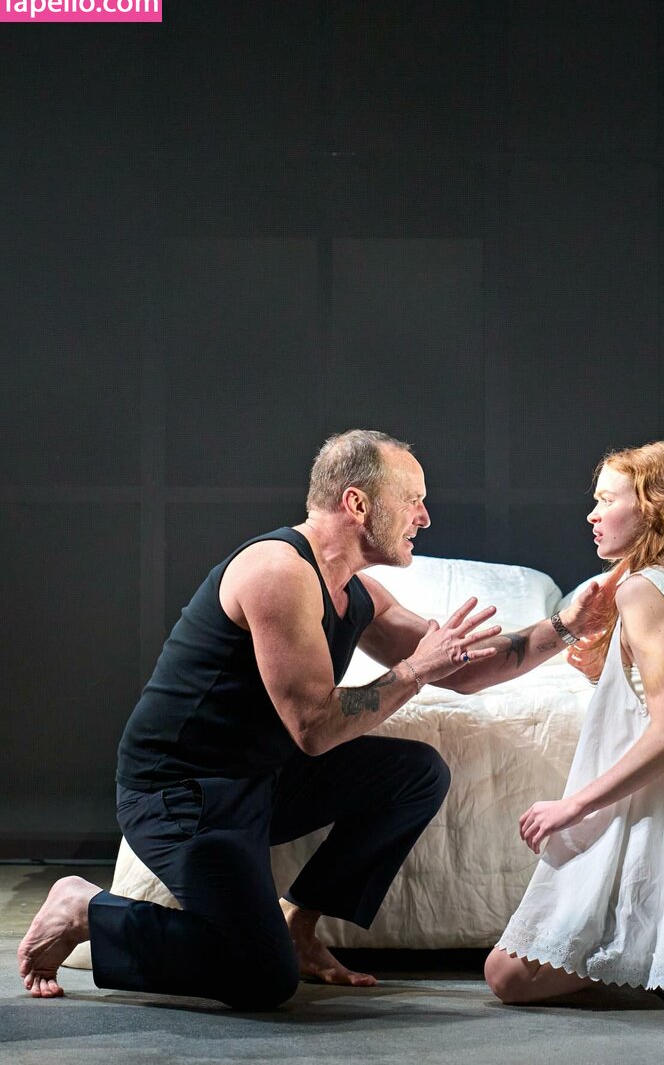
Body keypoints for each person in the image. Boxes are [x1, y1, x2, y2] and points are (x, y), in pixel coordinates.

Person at [19, 429, 600, 1010]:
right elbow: (316, 728)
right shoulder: (277, 570)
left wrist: (568, 623)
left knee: (416, 772)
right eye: (413, 500)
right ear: (357, 503)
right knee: (260, 979)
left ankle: (299, 925)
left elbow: (463, 669)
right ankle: (85, 910)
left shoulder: (357, 590)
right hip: (184, 795)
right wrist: (416, 670)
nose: (424, 517)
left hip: (262, 779)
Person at [485, 441, 664, 1012]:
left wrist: (572, 807)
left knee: (506, 978)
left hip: (659, 809)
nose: (592, 515)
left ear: (655, 508)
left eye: (607, 500)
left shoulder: (646, 590)